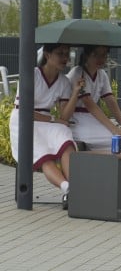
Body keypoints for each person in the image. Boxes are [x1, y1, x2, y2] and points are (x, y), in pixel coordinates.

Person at [9, 43, 80, 209]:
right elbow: (25, 111)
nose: (65, 58)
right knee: (43, 153)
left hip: (46, 122)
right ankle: (68, 189)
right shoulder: (31, 75)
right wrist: (55, 121)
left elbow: (64, 117)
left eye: (67, 54)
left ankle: (74, 190)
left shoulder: (63, 81)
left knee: (65, 136)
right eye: (60, 53)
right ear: (47, 55)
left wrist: (75, 93)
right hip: (23, 121)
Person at [66, 45, 121, 151]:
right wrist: (114, 129)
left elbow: (110, 101)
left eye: (104, 55)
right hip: (77, 121)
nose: (100, 59)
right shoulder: (77, 73)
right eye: (95, 55)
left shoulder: (102, 74)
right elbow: (90, 105)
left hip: (92, 120)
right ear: (86, 55)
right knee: (120, 141)